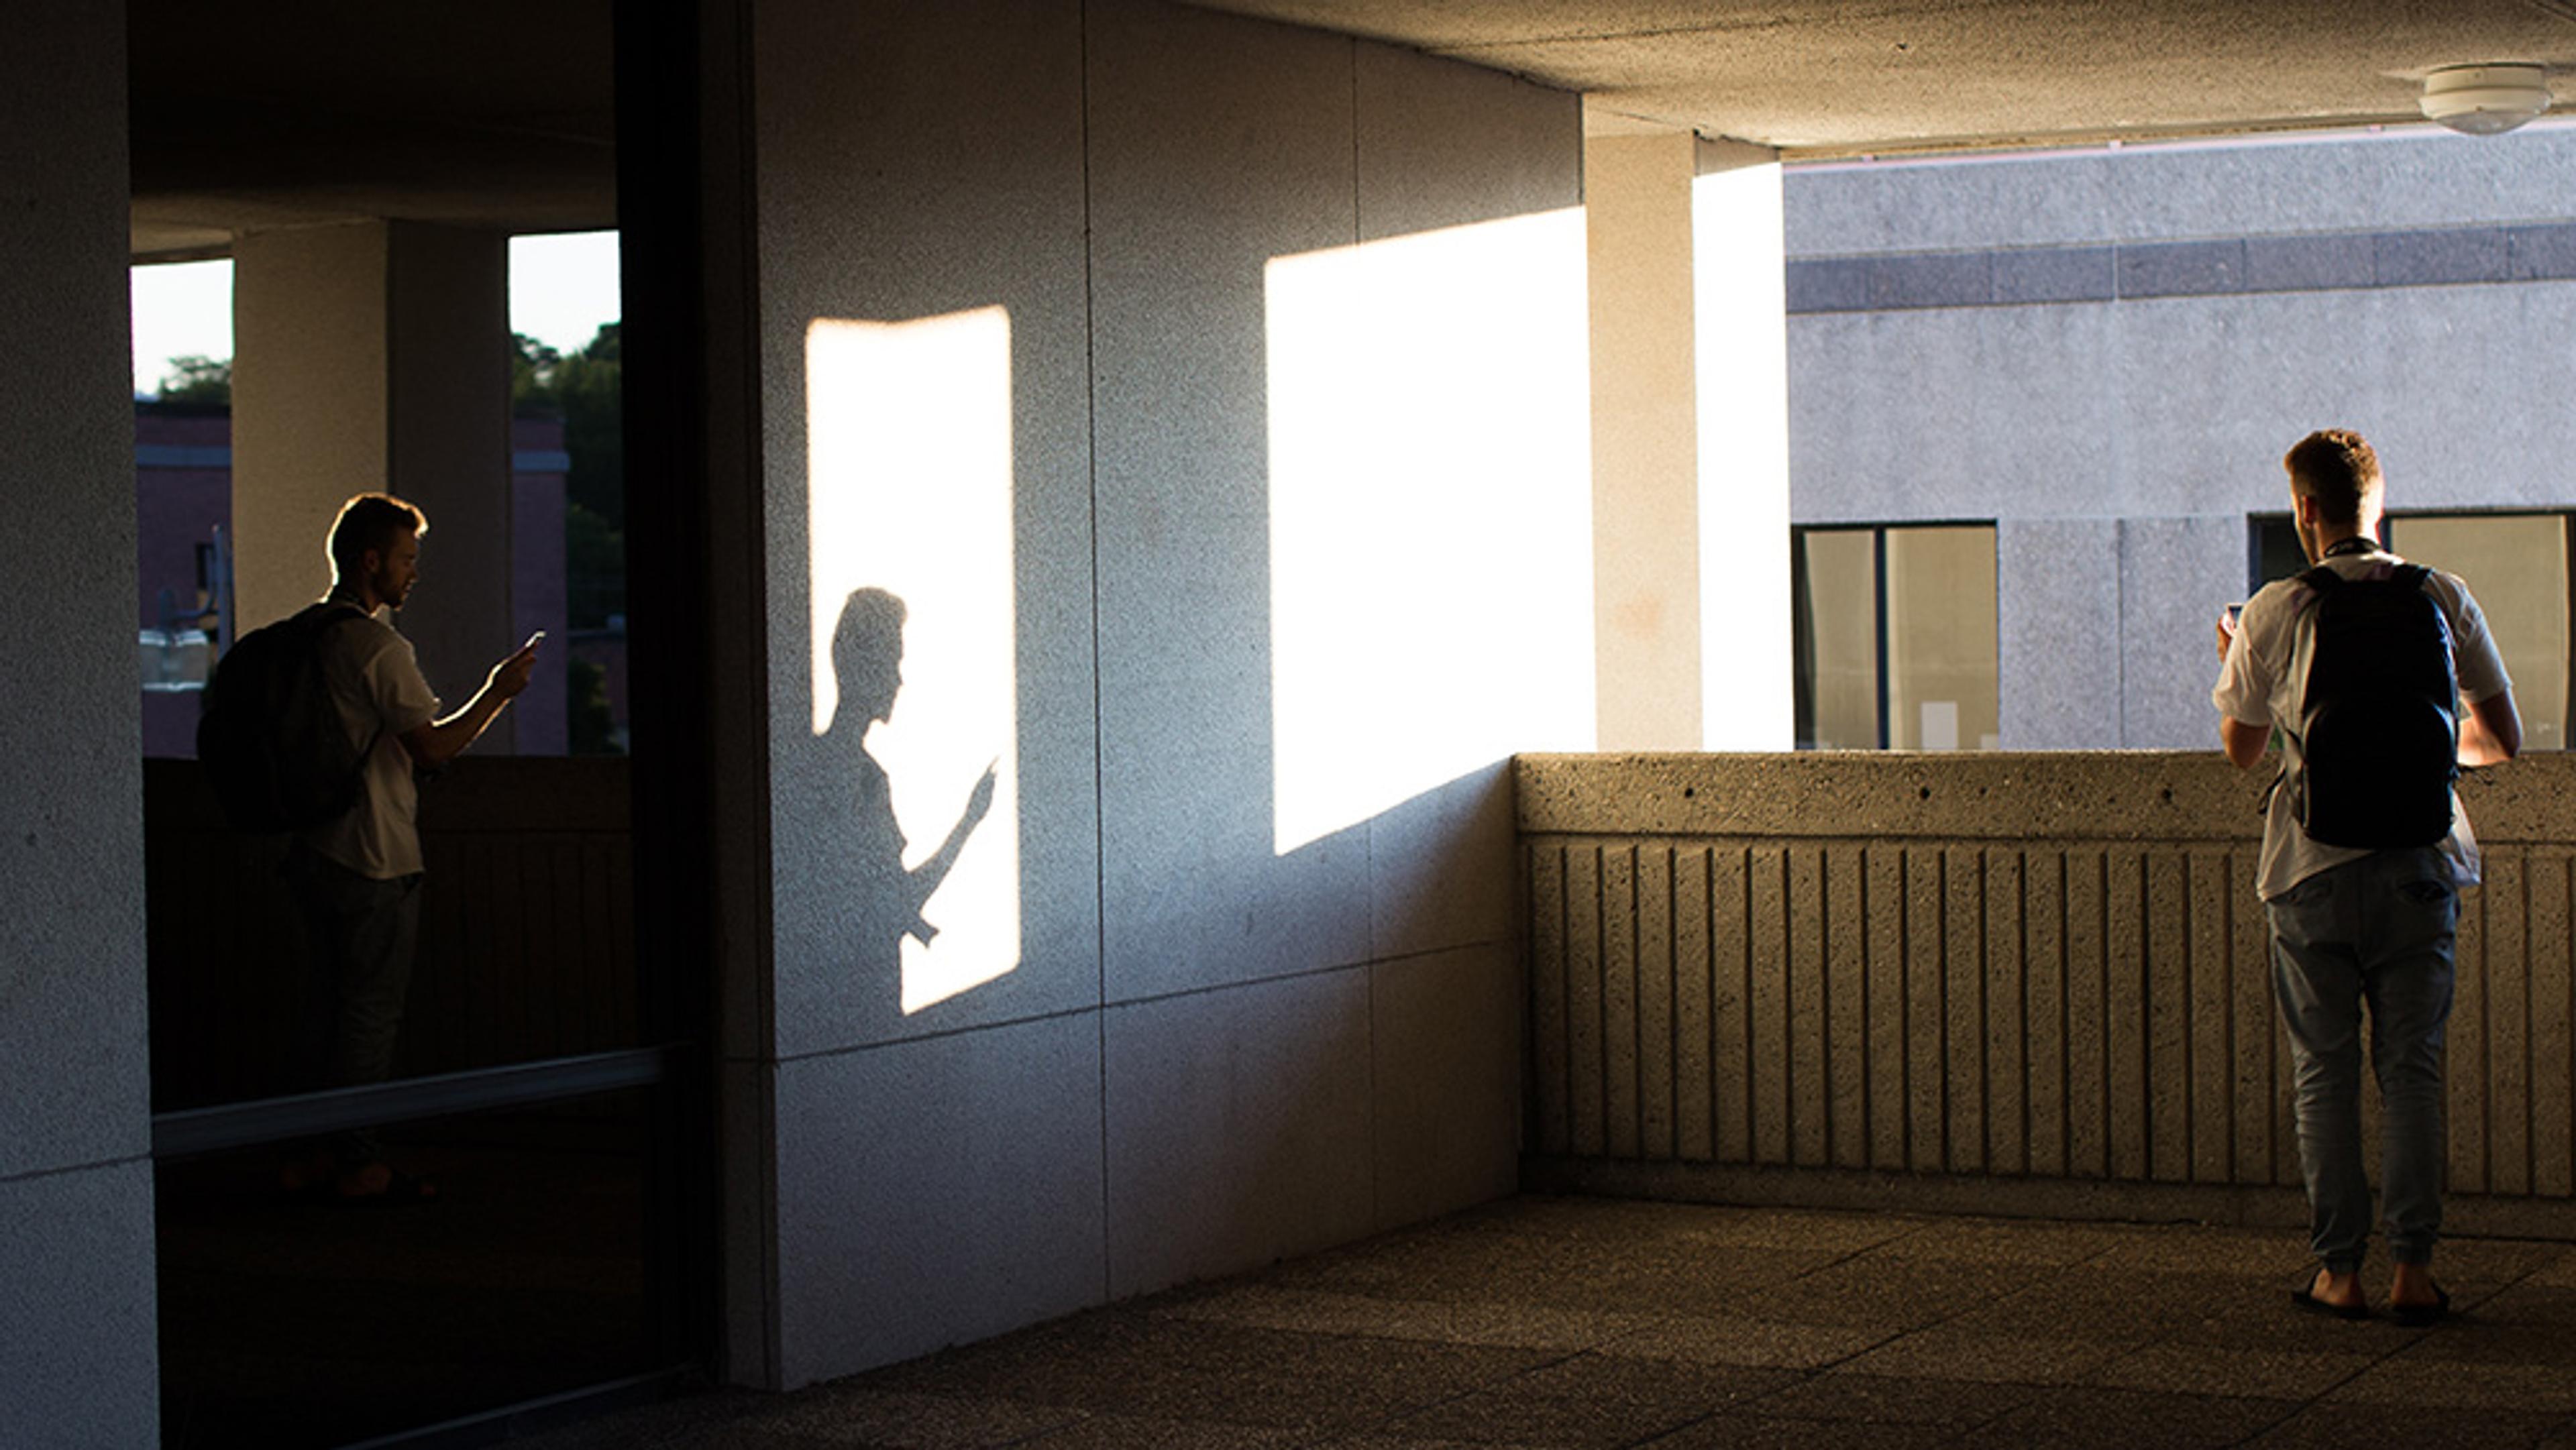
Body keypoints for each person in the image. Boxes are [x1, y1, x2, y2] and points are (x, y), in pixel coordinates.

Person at [2211, 429, 2520, 1324]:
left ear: (2306, 509)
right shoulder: (2443, 596)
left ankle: (2339, 1271)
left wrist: (2231, 651)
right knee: (2412, 1069)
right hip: (2422, 867)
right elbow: (2503, 739)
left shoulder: (2277, 606)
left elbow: (2243, 750)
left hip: (2310, 873)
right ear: (2375, 503)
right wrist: (2429, 748)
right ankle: (2414, 1269)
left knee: (2326, 1071)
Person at [281, 492, 539, 1204]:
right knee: (367, 1017)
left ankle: (306, 1152)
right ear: (372, 561)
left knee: (321, 1011)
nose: (412, 572)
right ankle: (360, 1160)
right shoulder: (375, 646)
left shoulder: (304, 635)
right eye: (405, 558)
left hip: (309, 848)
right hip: (374, 856)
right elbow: (431, 747)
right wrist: (498, 692)